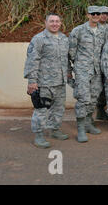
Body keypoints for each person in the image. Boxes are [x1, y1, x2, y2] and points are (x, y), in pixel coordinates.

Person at [24, 13, 69, 148]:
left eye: (57, 21)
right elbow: (32, 60)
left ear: (61, 23)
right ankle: (39, 136)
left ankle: (55, 130)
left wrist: (68, 74)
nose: (55, 24)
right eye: (52, 21)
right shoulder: (39, 39)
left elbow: (66, 59)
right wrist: (32, 81)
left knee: (58, 109)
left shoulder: (64, 38)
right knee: (42, 110)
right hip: (44, 82)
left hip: (60, 81)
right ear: (45, 23)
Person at [68, 6, 107, 143]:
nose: (96, 15)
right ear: (88, 15)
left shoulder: (103, 31)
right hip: (83, 70)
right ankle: (80, 128)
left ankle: (89, 123)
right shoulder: (78, 31)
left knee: (94, 97)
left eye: (98, 13)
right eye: (93, 13)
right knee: (83, 98)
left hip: (97, 70)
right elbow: (71, 52)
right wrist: (76, 68)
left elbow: (104, 50)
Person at [96, 5, 108, 121]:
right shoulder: (93, 26)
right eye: (102, 13)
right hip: (94, 63)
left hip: (106, 62)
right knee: (96, 87)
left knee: (105, 87)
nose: (104, 15)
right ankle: (98, 110)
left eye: (107, 14)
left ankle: (102, 109)